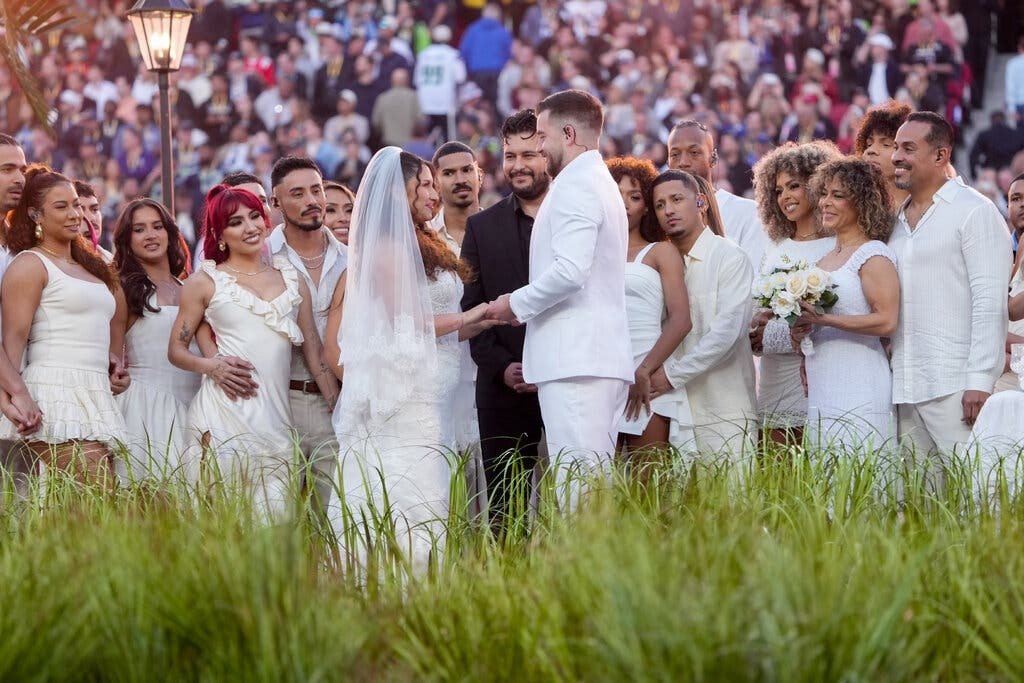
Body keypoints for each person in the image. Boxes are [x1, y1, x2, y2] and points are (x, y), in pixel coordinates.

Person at [325, 148, 498, 569]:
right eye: (423, 183)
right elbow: (409, 322)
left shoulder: (426, 242)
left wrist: (486, 320)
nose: (432, 190)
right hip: (407, 393)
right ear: (399, 191)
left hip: (438, 387)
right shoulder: (386, 249)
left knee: (436, 492)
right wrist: (470, 315)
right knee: (410, 493)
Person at [485, 90, 633, 508]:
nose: (539, 147)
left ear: (568, 133)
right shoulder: (596, 180)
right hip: (590, 358)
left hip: (576, 362)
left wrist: (514, 305)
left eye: (543, 136)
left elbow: (571, 270)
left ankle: (585, 571)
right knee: (589, 487)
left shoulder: (576, 185)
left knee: (579, 492)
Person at [169, 184, 337, 519]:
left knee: (276, 529)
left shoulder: (292, 280)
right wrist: (211, 366)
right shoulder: (204, 282)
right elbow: (175, 349)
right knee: (224, 528)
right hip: (223, 415)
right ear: (219, 234)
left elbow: (314, 351)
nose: (249, 227)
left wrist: (339, 407)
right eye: (235, 222)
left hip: (276, 420)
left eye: (254, 217)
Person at [889, 111, 1012, 467]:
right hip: (906, 384)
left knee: (974, 493)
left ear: (941, 155)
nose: (897, 156)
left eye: (908, 148)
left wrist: (980, 380)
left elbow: (990, 303)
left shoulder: (975, 212)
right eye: (896, 147)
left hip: (957, 386)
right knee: (919, 504)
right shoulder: (896, 221)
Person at [0, 166, 128, 484]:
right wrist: (13, 401)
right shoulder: (29, 264)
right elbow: (12, 344)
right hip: (52, 392)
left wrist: (113, 363)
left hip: (95, 391)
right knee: (96, 486)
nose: (75, 214)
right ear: (35, 215)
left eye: (76, 205)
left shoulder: (94, 266)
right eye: (62, 206)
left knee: (89, 508)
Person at [461, 110, 549, 531]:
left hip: (570, 381)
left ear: (550, 152)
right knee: (505, 515)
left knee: (571, 505)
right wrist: (502, 369)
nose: (518, 165)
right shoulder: (481, 228)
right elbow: (472, 313)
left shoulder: (580, 220)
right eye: (511, 155)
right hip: (503, 391)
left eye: (529, 153)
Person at [790, 159, 900, 451]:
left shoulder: (873, 254)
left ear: (862, 202)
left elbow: (887, 321)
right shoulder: (822, 261)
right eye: (824, 193)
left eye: (838, 195)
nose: (825, 202)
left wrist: (825, 321)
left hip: (859, 376)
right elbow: (814, 324)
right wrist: (801, 334)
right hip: (822, 376)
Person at [649, 170, 757, 458]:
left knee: (731, 502)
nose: (668, 210)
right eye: (660, 205)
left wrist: (671, 376)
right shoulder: (656, 266)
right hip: (671, 410)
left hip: (724, 411)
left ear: (701, 203)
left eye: (676, 199)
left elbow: (726, 334)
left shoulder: (729, 257)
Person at [266, 156, 345, 514]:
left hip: (340, 404)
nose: (312, 200)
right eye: (297, 193)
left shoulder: (350, 257)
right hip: (279, 401)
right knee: (282, 523)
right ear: (275, 202)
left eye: (316, 190)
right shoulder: (260, 255)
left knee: (337, 519)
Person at [749, 141, 841, 442]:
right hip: (774, 379)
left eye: (794, 186)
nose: (785, 197)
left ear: (817, 185)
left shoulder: (837, 246)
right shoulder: (775, 248)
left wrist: (776, 332)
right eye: (778, 190)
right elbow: (755, 320)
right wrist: (759, 332)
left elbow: (831, 316)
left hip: (817, 374)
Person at [605, 156, 692, 453]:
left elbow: (681, 320)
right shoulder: (591, 254)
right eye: (616, 194)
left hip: (649, 376)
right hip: (604, 375)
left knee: (650, 486)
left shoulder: (661, 251)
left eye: (635, 196)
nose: (625, 203)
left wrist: (644, 370)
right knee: (603, 488)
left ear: (646, 207)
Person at [112, 198, 201, 479]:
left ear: (170, 233)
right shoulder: (125, 289)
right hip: (148, 408)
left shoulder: (191, 287)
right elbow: (112, 357)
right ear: (127, 240)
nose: (150, 235)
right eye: (139, 229)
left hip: (197, 404)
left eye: (157, 226)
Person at [667, 119, 769, 271]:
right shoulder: (663, 217)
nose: (683, 162)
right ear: (668, 162)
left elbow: (753, 279)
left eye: (694, 153)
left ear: (713, 159)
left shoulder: (747, 213)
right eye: (675, 154)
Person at [853, 101, 912, 210]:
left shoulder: (929, 207)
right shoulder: (854, 206)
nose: (871, 150)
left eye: (885, 144)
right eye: (868, 144)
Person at [996, 173, 1024, 393]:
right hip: (1010, 360)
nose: (1022, 204)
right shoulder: (1014, 244)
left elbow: (1010, 310)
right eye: (1016, 198)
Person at [429, 141, 482, 252]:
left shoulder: (501, 229)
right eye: (448, 173)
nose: (460, 180)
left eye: (467, 170)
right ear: (436, 183)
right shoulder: (426, 236)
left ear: (480, 176)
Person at [73, 180, 113, 261]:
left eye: (95, 209)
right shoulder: (53, 264)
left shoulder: (110, 260)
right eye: (81, 210)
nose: (92, 218)